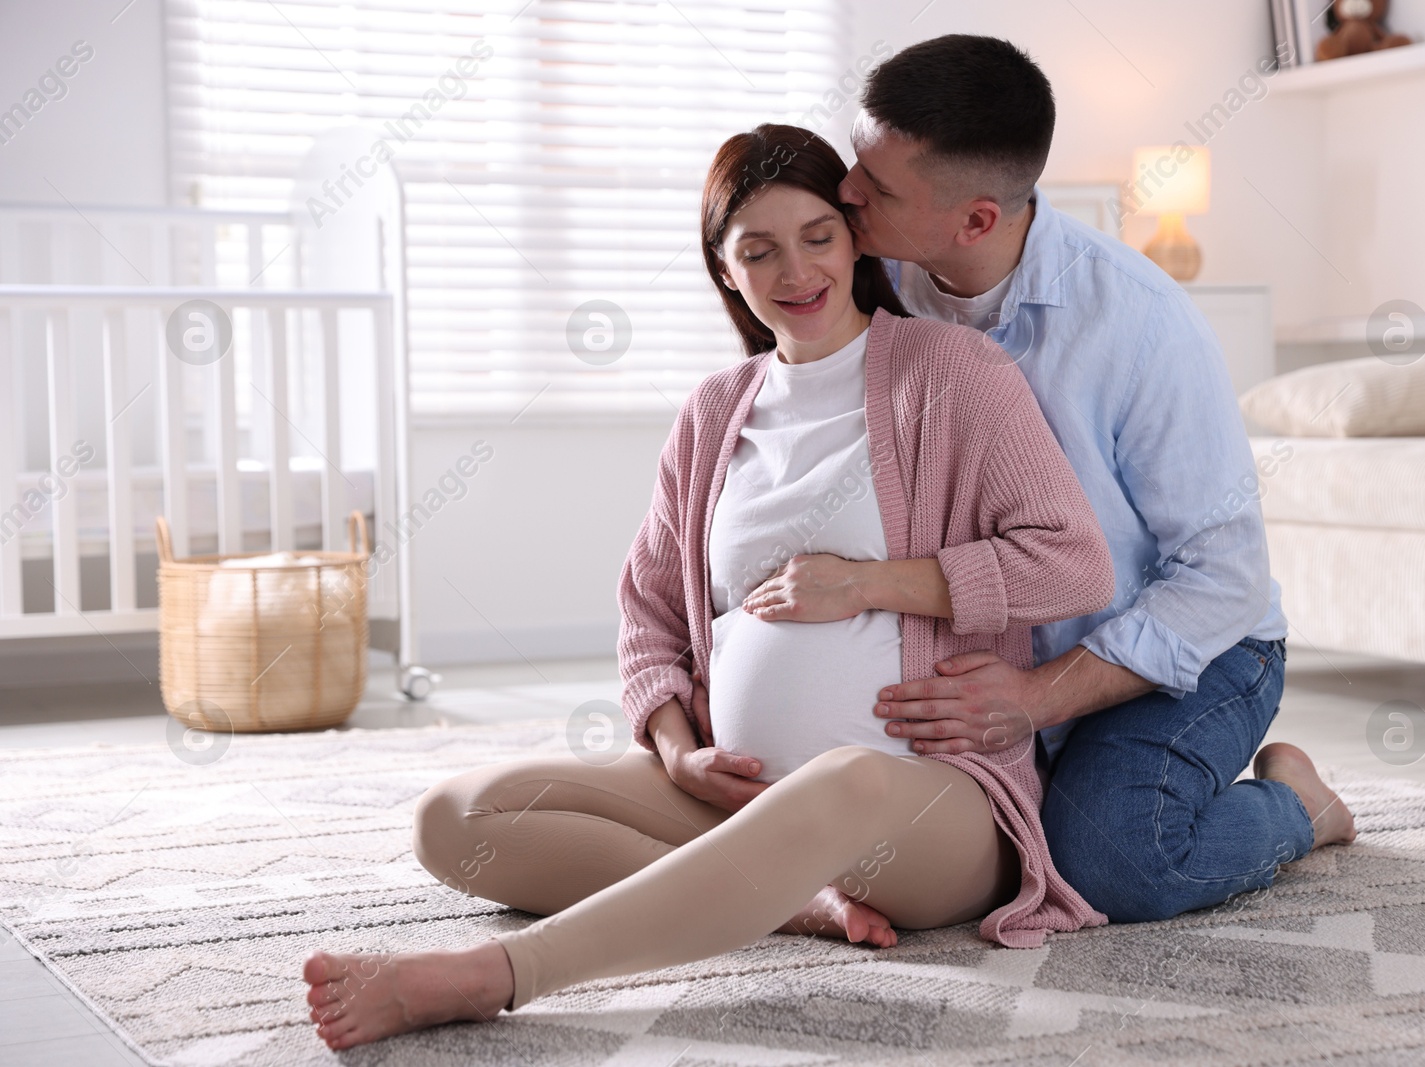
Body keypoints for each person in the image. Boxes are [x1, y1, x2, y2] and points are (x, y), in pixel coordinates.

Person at [302, 124, 1116, 1050]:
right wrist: (677, 745)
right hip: (736, 787)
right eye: (757, 249)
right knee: (456, 818)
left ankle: (500, 976)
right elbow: (648, 609)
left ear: (854, 238)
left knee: (842, 781)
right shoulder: (715, 411)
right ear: (725, 270)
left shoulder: (954, 375)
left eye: (817, 234)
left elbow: (1074, 560)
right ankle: (792, 898)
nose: (795, 269)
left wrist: (867, 586)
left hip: (931, 807)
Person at [828, 34, 1357, 923]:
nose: (846, 193)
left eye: (876, 188)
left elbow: (1222, 580)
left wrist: (1034, 698)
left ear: (977, 221)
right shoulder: (869, 281)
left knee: (1111, 859)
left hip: (1191, 658)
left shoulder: (1143, 327)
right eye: (855, 164)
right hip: (991, 655)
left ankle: (1303, 805)